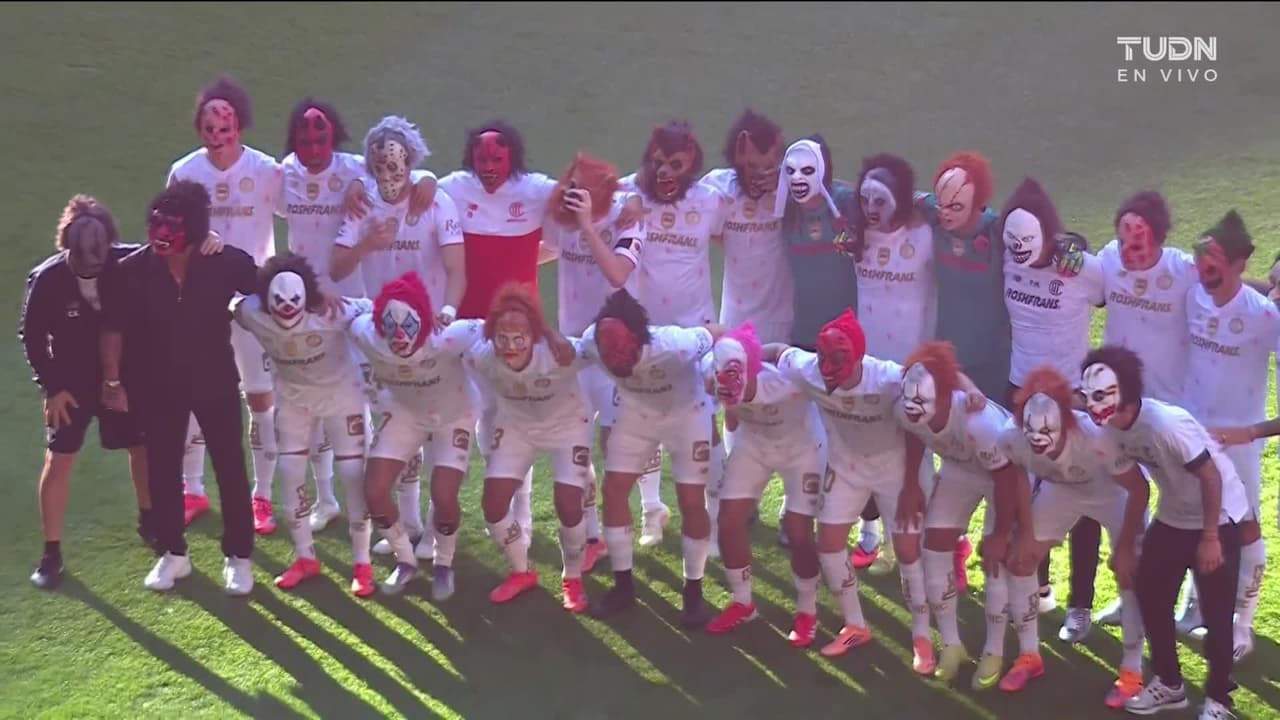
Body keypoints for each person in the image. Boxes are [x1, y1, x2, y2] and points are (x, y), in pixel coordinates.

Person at [277, 97, 438, 533]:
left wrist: (427, 177)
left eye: (321, 134)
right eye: (305, 136)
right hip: (306, 307)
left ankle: (394, 509)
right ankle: (328, 498)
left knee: (377, 408)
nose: (313, 143)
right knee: (313, 404)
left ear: (335, 135)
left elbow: (405, 170)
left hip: (356, 308)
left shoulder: (355, 170)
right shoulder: (284, 173)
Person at [101, 181, 269, 595]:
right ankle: (173, 554)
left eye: (171, 225)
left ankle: (239, 557)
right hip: (156, 384)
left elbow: (269, 287)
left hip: (214, 379)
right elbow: (112, 329)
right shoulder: (132, 270)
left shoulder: (225, 262)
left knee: (229, 466)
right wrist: (112, 382)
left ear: (193, 229)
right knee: (162, 469)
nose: (160, 232)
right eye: (155, 222)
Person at [1080, 347, 1249, 720]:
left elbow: (1210, 476)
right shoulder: (1107, 433)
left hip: (1218, 513)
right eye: (1087, 395)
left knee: (1216, 613)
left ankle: (1220, 700)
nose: (1092, 405)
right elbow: (1138, 489)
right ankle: (1170, 684)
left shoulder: (1163, 424)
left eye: (1100, 394)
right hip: (1174, 514)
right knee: (1150, 594)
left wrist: (1210, 537)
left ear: (1124, 392)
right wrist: (1124, 546)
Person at [769, 311, 942, 668]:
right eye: (823, 356)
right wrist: (739, 349)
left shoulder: (889, 379)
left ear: (861, 356)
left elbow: (920, 415)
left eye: (839, 358)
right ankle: (855, 625)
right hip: (847, 467)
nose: (828, 366)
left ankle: (921, 636)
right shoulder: (809, 369)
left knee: (910, 554)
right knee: (828, 544)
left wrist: (912, 484)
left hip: (898, 470)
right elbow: (777, 351)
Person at [331, 115, 466, 562]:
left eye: (398, 165)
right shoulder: (361, 203)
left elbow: (456, 268)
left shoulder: (436, 199)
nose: (389, 175)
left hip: (431, 336)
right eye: (380, 166)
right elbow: (335, 269)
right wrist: (368, 243)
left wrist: (447, 311)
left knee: (434, 429)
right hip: (383, 337)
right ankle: (407, 523)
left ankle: (431, 527)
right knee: (398, 422)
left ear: (411, 161)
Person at [166, 74, 284, 535]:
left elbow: (308, 202)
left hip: (254, 302)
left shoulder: (265, 171)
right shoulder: (184, 172)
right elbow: (167, 234)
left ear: (241, 126)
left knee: (260, 398)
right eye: (210, 129)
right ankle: (191, 489)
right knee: (194, 396)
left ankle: (263, 496)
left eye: (226, 128)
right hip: (198, 303)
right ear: (200, 128)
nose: (217, 138)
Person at [21, 196, 157, 589]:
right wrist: (52, 388)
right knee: (59, 459)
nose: (93, 269)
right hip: (71, 383)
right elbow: (31, 337)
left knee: (141, 447)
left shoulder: (128, 261)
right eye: (84, 263)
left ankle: (149, 521)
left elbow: (173, 251)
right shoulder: (46, 280)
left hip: (123, 377)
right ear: (67, 249)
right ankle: (51, 552)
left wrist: (208, 238)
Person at [438, 121, 560, 549]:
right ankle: (441, 527)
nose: (489, 166)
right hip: (465, 332)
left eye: (497, 157)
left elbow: (580, 203)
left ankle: (520, 519)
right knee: (461, 420)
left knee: (516, 425)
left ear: (514, 157)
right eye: (482, 157)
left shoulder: (536, 190)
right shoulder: (452, 188)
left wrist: (528, 258)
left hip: (519, 336)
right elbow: (419, 193)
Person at [999, 367, 1148, 705]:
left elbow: (1139, 489)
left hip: (1113, 494)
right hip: (1061, 489)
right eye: (1031, 428)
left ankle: (1132, 671)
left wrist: (1124, 547)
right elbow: (1019, 476)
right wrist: (1025, 530)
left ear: (1067, 420)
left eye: (1048, 429)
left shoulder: (1098, 438)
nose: (1037, 438)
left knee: (1130, 572)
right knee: (1021, 561)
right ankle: (1029, 656)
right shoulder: (1011, 436)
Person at [579, 289, 726, 625]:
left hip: (688, 414)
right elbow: (570, 353)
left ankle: (693, 592)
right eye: (608, 350)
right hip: (636, 415)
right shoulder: (592, 341)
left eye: (621, 348)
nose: (614, 358)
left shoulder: (675, 344)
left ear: (640, 338)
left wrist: (722, 368)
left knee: (691, 500)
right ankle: (623, 586)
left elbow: (718, 333)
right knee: (614, 489)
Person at [232, 253, 375, 597]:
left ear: (307, 295)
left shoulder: (332, 311)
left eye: (294, 300)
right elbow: (231, 300)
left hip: (344, 397)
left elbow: (373, 307)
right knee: (290, 473)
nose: (285, 309)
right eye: (277, 300)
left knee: (355, 477)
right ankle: (305, 557)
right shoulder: (253, 312)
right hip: (294, 402)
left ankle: (362, 563)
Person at [1093, 190, 1201, 636]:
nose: (1131, 254)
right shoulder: (1108, 260)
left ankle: (1196, 604)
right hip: (1116, 409)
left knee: (1187, 506)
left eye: (1139, 244)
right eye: (1124, 242)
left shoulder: (1180, 268)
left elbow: (1226, 285)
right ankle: (1127, 596)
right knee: (1122, 504)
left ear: (1158, 236)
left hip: (1168, 411)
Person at [895, 340, 1031, 688]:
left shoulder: (979, 424)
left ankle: (994, 649)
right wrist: (911, 484)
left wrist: (1000, 534)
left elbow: (1006, 478)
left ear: (944, 395)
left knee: (994, 561)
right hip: (960, 468)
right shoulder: (910, 405)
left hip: (1005, 472)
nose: (912, 406)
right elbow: (914, 434)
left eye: (921, 400)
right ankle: (952, 645)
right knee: (932, 549)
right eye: (908, 398)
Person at [619, 120, 730, 549]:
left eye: (677, 165)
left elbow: (745, 219)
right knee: (644, 416)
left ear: (692, 167)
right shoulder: (629, 192)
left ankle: (717, 517)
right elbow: (583, 190)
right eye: (659, 163)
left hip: (696, 330)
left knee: (704, 424)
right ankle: (652, 510)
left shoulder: (709, 200)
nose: (665, 173)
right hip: (644, 330)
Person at [998, 177, 1103, 620]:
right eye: (1013, 238)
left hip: (1072, 399)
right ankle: (1039, 587)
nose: (1020, 248)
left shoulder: (1079, 266)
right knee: (1026, 489)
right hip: (1021, 391)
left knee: (1085, 493)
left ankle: (1081, 602)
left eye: (1029, 239)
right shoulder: (1004, 255)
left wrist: (1076, 246)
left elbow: (1112, 293)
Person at [460, 283, 594, 611]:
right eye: (501, 336)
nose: (510, 345)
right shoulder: (482, 356)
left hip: (568, 427)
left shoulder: (562, 354)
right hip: (518, 426)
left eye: (519, 336)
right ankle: (521, 572)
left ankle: (572, 577)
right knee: (493, 504)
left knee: (568, 504)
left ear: (534, 334)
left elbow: (602, 350)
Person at [349, 272, 481, 600]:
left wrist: (448, 312)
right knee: (375, 490)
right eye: (390, 326)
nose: (399, 336)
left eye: (408, 326)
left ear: (424, 321)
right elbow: (345, 309)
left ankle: (444, 563)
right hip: (406, 413)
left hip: (454, 416)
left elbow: (496, 326)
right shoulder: (367, 332)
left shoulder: (448, 336)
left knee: (444, 494)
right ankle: (405, 560)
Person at [544, 152, 646, 573]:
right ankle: (591, 536)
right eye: (571, 186)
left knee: (613, 450)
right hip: (575, 353)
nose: (573, 195)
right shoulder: (561, 219)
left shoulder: (627, 219)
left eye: (581, 190)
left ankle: (624, 524)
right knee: (574, 449)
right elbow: (546, 247)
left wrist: (588, 226)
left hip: (615, 352)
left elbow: (618, 274)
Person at [1180, 211, 1274, 662]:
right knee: (1194, 523)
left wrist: (1249, 433)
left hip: (1238, 449)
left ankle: (1242, 625)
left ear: (1238, 264)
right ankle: (1195, 605)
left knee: (1243, 533)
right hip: (1191, 438)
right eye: (1203, 253)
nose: (1205, 264)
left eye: (1217, 257)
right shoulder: (1191, 294)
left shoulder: (1264, 317)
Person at [702, 322, 826, 648]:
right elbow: (710, 338)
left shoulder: (790, 377)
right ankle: (743, 602)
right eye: (721, 376)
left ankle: (808, 610)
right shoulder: (709, 373)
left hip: (803, 450)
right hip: (754, 446)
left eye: (734, 375)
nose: (725, 385)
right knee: (728, 521)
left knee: (799, 532)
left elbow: (832, 377)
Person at [848, 151, 936, 575]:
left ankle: (937, 546)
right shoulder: (854, 235)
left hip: (912, 368)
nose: (870, 209)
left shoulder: (925, 236)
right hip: (868, 365)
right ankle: (870, 536)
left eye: (880, 201)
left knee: (917, 456)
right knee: (865, 446)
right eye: (865, 200)